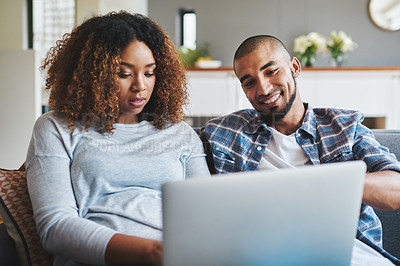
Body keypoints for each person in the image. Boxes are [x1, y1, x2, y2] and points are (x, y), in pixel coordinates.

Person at [25, 11, 210, 266]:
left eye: (150, 73)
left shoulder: (181, 134)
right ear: (93, 75)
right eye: (124, 74)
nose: (140, 86)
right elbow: (55, 227)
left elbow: (206, 214)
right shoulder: (56, 128)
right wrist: (153, 253)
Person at [199, 35, 400, 265]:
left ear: (294, 67)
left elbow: (396, 190)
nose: (263, 88)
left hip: (347, 254)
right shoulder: (223, 133)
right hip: (263, 255)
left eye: (271, 71)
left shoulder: (345, 126)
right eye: (249, 82)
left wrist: (322, 184)